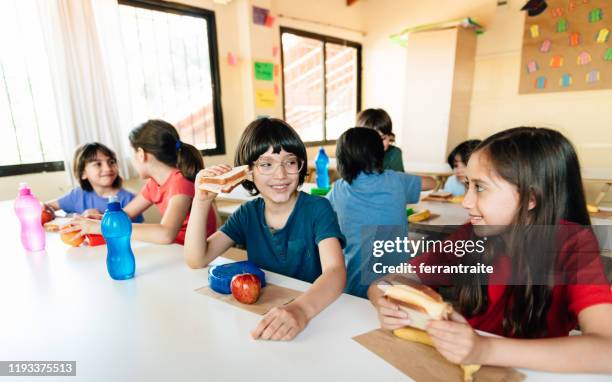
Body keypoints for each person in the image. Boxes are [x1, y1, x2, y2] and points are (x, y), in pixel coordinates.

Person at [368, 127, 612, 373]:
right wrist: (386, 302)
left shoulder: (572, 244)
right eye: (467, 186)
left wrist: (485, 349)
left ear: (530, 198)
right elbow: (385, 282)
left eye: (480, 188)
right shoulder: (470, 235)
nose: (466, 202)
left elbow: (607, 349)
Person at [184, 117, 346, 341]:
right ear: (248, 172)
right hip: (261, 317)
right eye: (266, 164)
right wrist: (201, 201)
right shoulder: (247, 214)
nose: (280, 175)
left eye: (290, 162)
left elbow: (335, 271)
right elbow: (197, 258)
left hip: (315, 314)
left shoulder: (318, 209)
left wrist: (300, 310)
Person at [62, 120, 216, 244]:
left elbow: (166, 234)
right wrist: (100, 219)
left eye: (132, 154)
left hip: (191, 254)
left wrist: (100, 227)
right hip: (174, 250)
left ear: (141, 154)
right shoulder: (153, 184)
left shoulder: (180, 183)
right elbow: (125, 215)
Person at [327, 127, 435, 298]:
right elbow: (432, 183)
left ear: (341, 159)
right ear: (379, 154)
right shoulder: (396, 180)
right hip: (397, 285)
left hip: (354, 285)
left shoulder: (337, 190)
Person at [44, 142, 143, 222]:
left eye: (111, 162)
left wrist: (100, 219)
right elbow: (45, 207)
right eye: (98, 164)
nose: (108, 168)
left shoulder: (129, 199)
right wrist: (78, 217)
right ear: (83, 173)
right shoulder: (77, 195)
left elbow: (136, 232)